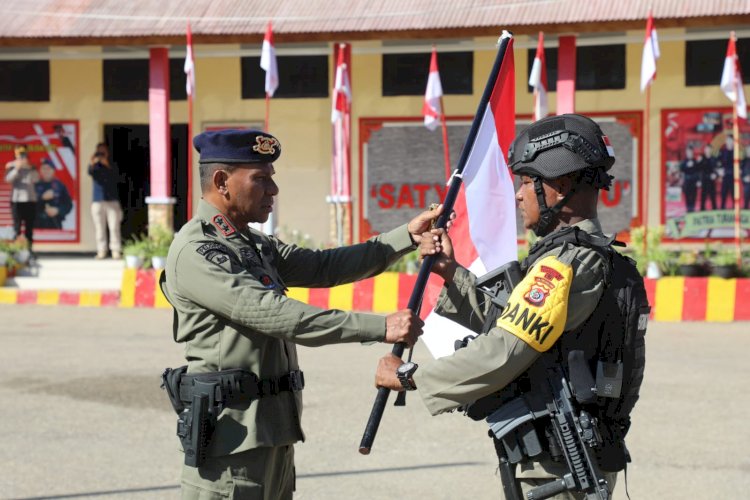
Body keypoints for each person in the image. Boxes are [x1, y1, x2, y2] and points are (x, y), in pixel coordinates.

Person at [375, 114, 649, 499]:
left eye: (525, 181)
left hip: (556, 468)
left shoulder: (565, 264)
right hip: (569, 460)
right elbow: (512, 320)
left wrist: (409, 376)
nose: (518, 195)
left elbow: (506, 348)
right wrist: (453, 274)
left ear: (561, 186)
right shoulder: (597, 259)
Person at [160, 129, 437, 500]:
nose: (273, 190)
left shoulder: (250, 244)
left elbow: (324, 267)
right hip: (232, 446)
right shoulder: (198, 251)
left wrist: (405, 235)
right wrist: (379, 326)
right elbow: (275, 315)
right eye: (261, 179)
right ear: (222, 182)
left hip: (272, 434)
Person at [87, 142, 122, 259]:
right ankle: (101, 250)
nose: (101, 154)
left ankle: (115, 250)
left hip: (112, 200)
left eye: (103, 151)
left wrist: (106, 162)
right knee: (99, 227)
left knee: (114, 227)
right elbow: (89, 172)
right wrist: (93, 160)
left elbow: (117, 176)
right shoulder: (95, 165)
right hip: (97, 200)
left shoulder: (112, 163)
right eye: (99, 151)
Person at [4, 145, 39, 251]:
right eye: (20, 155)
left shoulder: (31, 166)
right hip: (17, 200)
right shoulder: (12, 166)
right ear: (16, 156)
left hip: (30, 200)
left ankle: (29, 251)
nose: (22, 158)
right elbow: (8, 179)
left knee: (29, 228)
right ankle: (16, 251)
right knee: (17, 227)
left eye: (24, 155)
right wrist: (17, 169)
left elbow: (36, 179)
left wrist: (29, 167)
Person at [35, 158, 73, 229]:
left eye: (49, 168)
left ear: (53, 170)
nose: (46, 171)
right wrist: (42, 198)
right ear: (40, 170)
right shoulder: (34, 185)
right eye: (44, 168)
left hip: (55, 223)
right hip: (38, 224)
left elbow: (68, 205)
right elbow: (29, 207)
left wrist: (58, 210)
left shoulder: (60, 186)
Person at [698, 143, 718, 211]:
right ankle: (702, 211)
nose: (708, 150)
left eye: (709, 149)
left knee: (713, 198)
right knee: (703, 198)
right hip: (704, 181)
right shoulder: (701, 158)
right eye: (706, 149)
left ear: (711, 150)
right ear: (704, 150)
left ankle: (714, 212)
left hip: (711, 182)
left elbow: (717, 169)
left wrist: (715, 175)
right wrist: (699, 180)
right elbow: (698, 170)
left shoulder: (714, 159)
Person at [679, 145, 699, 213]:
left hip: (694, 181)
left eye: (690, 152)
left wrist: (698, 180)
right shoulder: (684, 161)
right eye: (688, 152)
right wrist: (687, 165)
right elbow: (681, 170)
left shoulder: (695, 161)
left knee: (693, 196)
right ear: (686, 152)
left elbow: (698, 171)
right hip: (687, 181)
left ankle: (692, 210)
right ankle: (688, 210)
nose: (689, 153)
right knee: (687, 197)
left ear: (692, 152)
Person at [718, 135, 735, 210]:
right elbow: (718, 163)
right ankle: (722, 210)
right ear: (726, 142)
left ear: (733, 142)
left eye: (730, 140)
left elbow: (741, 163)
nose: (729, 142)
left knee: (734, 195)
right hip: (725, 176)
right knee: (723, 194)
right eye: (727, 140)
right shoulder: (722, 151)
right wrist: (719, 170)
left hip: (733, 177)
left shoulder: (737, 151)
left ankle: (735, 212)